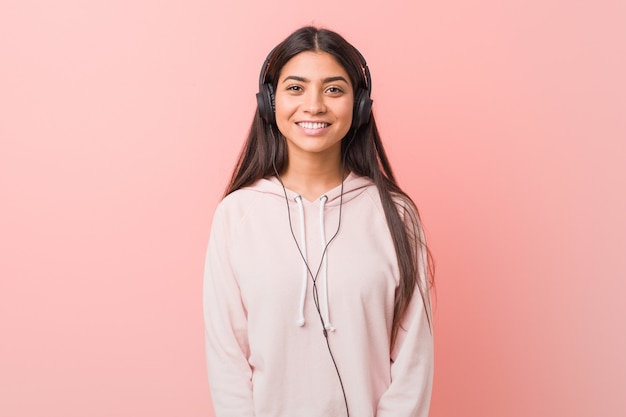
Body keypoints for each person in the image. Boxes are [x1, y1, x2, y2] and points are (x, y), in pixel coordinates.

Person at [203, 26, 434, 417]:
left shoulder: (397, 216)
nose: (314, 105)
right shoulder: (236, 215)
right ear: (269, 102)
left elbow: (413, 362)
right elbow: (227, 360)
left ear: (360, 106)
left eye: (333, 89)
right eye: (295, 88)